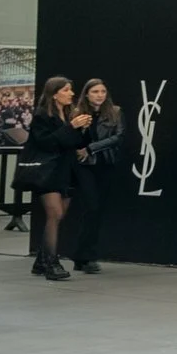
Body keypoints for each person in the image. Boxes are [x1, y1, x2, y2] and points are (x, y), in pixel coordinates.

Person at [23, 76, 91, 281]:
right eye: (66, 90)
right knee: (55, 214)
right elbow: (46, 143)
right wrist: (71, 127)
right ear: (55, 94)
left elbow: (73, 142)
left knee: (59, 216)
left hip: (66, 171)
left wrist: (81, 130)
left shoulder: (69, 113)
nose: (71, 93)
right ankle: (52, 262)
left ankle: (42, 261)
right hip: (48, 172)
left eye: (71, 90)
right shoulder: (42, 115)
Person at [64, 78, 123, 276]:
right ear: (87, 94)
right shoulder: (76, 113)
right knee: (92, 206)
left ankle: (84, 256)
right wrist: (80, 132)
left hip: (105, 164)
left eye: (103, 91)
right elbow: (70, 139)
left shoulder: (115, 112)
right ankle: (84, 255)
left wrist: (91, 148)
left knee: (97, 211)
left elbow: (118, 137)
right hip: (84, 167)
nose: (99, 95)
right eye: (95, 91)